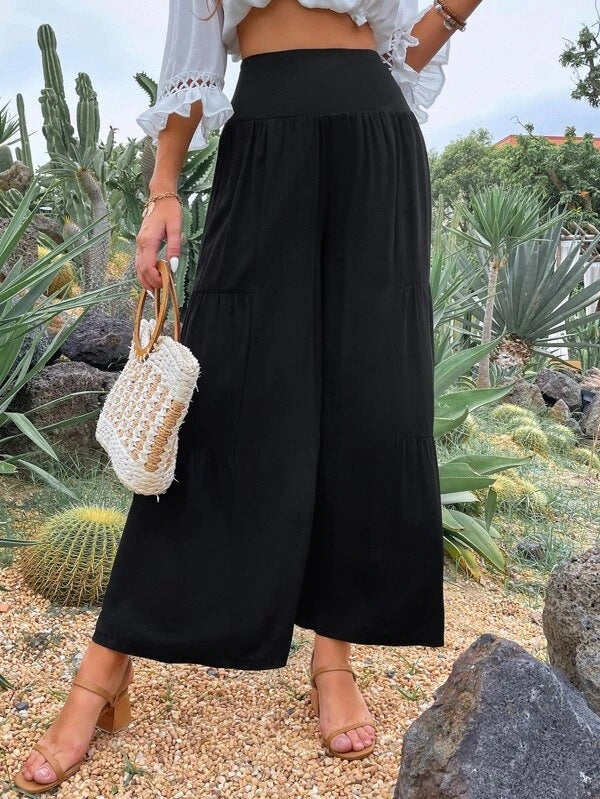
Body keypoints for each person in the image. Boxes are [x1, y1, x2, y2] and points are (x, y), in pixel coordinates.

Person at [14, 0, 482, 791]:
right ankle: (105, 664)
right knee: (224, 398)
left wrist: (455, 10)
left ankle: (333, 656)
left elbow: (400, 55)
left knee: (368, 400)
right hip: (265, 133)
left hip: (376, 138)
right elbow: (193, 48)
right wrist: (163, 187)